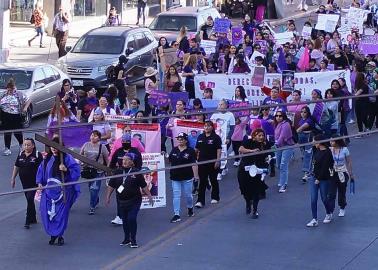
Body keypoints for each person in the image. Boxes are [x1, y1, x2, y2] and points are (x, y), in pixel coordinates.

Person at [36, 137, 81, 245]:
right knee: (47, 213)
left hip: (63, 192)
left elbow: (76, 171)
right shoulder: (47, 159)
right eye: (52, 146)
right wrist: (39, 183)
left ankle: (60, 235)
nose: (54, 149)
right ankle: (53, 235)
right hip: (49, 193)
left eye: (56, 147)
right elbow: (41, 171)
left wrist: (66, 170)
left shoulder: (67, 158)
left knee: (61, 215)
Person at [106, 153, 154, 248]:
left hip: (134, 200)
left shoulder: (136, 173)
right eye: (123, 159)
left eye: (127, 159)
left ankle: (133, 240)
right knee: (125, 220)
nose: (124, 161)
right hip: (121, 201)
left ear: (132, 162)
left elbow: (143, 186)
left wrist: (149, 195)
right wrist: (108, 197)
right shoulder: (118, 172)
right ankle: (126, 239)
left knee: (131, 218)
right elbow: (111, 185)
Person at [109, 133, 143, 226]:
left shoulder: (135, 151)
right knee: (119, 196)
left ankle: (130, 214)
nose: (125, 143)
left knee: (132, 196)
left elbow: (139, 164)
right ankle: (119, 216)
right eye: (123, 141)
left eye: (127, 141)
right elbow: (112, 164)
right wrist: (113, 173)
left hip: (132, 177)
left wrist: (135, 174)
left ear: (130, 142)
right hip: (120, 177)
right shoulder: (118, 151)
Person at [10, 138, 43, 228]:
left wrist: (40, 182)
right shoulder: (21, 154)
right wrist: (13, 179)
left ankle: (27, 220)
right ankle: (33, 218)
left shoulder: (37, 155)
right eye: (25, 145)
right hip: (24, 182)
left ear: (33, 145)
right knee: (29, 200)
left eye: (28, 145)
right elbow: (16, 166)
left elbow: (42, 169)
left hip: (34, 182)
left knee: (29, 199)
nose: (26, 146)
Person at [238, 129, 270, 218]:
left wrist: (265, 168)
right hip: (245, 169)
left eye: (262, 135)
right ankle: (248, 202)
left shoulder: (265, 145)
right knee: (244, 189)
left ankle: (255, 211)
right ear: (254, 136)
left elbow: (268, 156)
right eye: (259, 135)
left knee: (256, 191)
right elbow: (241, 149)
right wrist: (252, 151)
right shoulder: (248, 141)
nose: (261, 137)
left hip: (258, 170)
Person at [168, 132, 197, 223]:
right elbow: (169, 160)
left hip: (187, 177)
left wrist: (196, 175)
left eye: (182, 139)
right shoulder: (174, 150)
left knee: (188, 195)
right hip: (175, 177)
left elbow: (194, 163)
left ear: (185, 140)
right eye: (179, 139)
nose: (180, 140)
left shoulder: (190, 151)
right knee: (176, 195)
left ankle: (190, 207)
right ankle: (176, 214)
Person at [306, 135, 334, 227]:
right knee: (313, 199)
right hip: (314, 177)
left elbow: (325, 167)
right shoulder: (316, 150)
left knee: (324, 198)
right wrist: (310, 173)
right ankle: (314, 219)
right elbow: (314, 164)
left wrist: (318, 179)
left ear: (319, 142)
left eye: (314, 141)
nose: (313, 143)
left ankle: (329, 213)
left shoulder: (327, 152)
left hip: (324, 178)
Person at [80, 130, 109, 215]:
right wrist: (81, 162)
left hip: (98, 171)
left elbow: (107, 159)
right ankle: (95, 199)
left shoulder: (102, 147)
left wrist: (108, 170)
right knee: (91, 188)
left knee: (94, 188)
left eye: (95, 136)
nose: (93, 137)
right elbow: (80, 155)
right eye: (92, 135)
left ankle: (92, 206)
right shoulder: (86, 144)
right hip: (88, 170)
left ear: (99, 138)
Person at [195, 121, 222, 208]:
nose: (206, 128)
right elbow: (197, 149)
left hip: (213, 162)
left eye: (209, 126)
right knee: (202, 181)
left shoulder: (216, 137)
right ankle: (200, 201)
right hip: (202, 163)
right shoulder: (200, 136)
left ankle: (215, 197)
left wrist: (217, 160)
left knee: (213, 180)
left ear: (212, 127)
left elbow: (219, 149)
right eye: (205, 126)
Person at [0, 79, 31, 156]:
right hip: (5, 115)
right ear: (7, 88)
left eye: (12, 89)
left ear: (15, 88)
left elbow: (28, 100)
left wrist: (25, 108)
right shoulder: (3, 94)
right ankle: (7, 148)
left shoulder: (19, 94)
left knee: (17, 132)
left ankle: (21, 145)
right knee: (7, 132)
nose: (11, 91)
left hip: (16, 115)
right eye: (9, 90)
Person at [329, 137, 354, 218]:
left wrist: (351, 174)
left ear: (337, 141)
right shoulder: (329, 149)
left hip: (342, 171)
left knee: (342, 191)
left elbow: (349, 162)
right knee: (331, 192)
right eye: (330, 140)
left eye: (332, 141)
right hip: (333, 172)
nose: (330, 142)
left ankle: (342, 208)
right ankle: (330, 210)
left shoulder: (344, 149)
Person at [210, 99, 235, 180]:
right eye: (219, 104)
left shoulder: (230, 115)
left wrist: (228, 138)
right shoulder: (214, 115)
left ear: (226, 105)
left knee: (222, 154)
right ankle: (224, 168)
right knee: (217, 155)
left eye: (222, 104)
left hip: (225, 139)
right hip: (216, 138)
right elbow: (210, 126)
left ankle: (219, 172)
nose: (220, 106)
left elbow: (232, 128)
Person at [274, 111, 295, 193]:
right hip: (278, 146)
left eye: (280, 116)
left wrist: (275, 145)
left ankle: (283, 184)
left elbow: (282, 136)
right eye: (277, 116)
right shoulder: (277, 124)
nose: (278, 117)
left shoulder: (286, 124)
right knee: (278, 165)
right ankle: (282, 181)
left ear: (284, 117)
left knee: (283, 165)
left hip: (287, 146)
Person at [296, 106, 315, 182]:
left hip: (308, 138)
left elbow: (300, 129)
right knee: (304, 155)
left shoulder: (309, 120)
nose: (303, 113)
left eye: (305, 112)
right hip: (301, 139)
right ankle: (312, 169)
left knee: (308, 155)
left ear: (308, 113)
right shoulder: (301, 119)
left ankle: (306, 173)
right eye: (301, 112)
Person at [354, 73, 370, 138]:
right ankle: (361, 131)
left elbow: (357, 94)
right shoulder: (357, 86)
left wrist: (354, 94)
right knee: (359, 117)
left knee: (363, 117)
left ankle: (366, 128)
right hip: (358, 103)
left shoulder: (364, 86)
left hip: (364, 103)